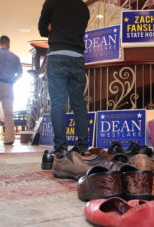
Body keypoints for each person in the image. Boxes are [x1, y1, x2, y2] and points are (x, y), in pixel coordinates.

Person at [38, 0, 91, 178]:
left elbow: (42, 30)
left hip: (57, 55)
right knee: (78, 103)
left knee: (58, 103)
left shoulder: (52, 2)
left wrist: (53, 27)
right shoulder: (83, 7)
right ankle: (83, 147)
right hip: (78, 57)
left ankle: (60, 148)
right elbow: (78, 29)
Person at [0, 35, 23, 145]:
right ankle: (9, 139)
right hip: (9, 86)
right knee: (9, 114)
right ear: (8, 44)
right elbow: (20, 73)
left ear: (0, 43)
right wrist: (13, 80)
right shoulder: (14, 57)